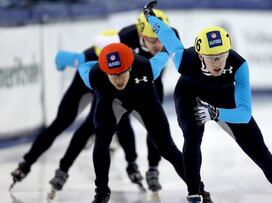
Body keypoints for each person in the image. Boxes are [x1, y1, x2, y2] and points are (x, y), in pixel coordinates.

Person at [143, 1, 272, 203]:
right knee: (192, 137)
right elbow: (167, 35)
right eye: (212, 57)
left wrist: (216, 113)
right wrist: (149, 16)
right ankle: (194, 195)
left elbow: (244, 113)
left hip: (224, 99)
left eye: (222, 56)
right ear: (200, 55)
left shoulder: (239, 65)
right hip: (190, 96)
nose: (218, 63)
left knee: (261, 153)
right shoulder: (185, 60)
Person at [48, 9, 183, 194]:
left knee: (158, 133)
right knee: (93, 125)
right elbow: (95, 62)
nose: (157, 44)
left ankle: (153, 168)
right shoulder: (125, 36)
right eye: (151, 40)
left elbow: (174, 58)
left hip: (147, 84)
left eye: (160, 39)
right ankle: (65, 169)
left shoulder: (168, 38)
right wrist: (75, 61)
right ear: (140, 34)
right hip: (115, 89)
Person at [77, 42, 183, 203]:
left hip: (144, 100)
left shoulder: (146, 67)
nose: (118, 80)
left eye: (121, 73)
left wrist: (167, 45)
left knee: (167, 148)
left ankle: (197, 187)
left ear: (131, 68)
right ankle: (101, 192)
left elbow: (162, 57)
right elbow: (82, 66)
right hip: (111, 102)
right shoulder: (94, 76)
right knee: (101, 142)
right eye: (113, 75)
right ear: (105, 72)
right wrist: (96, 64)